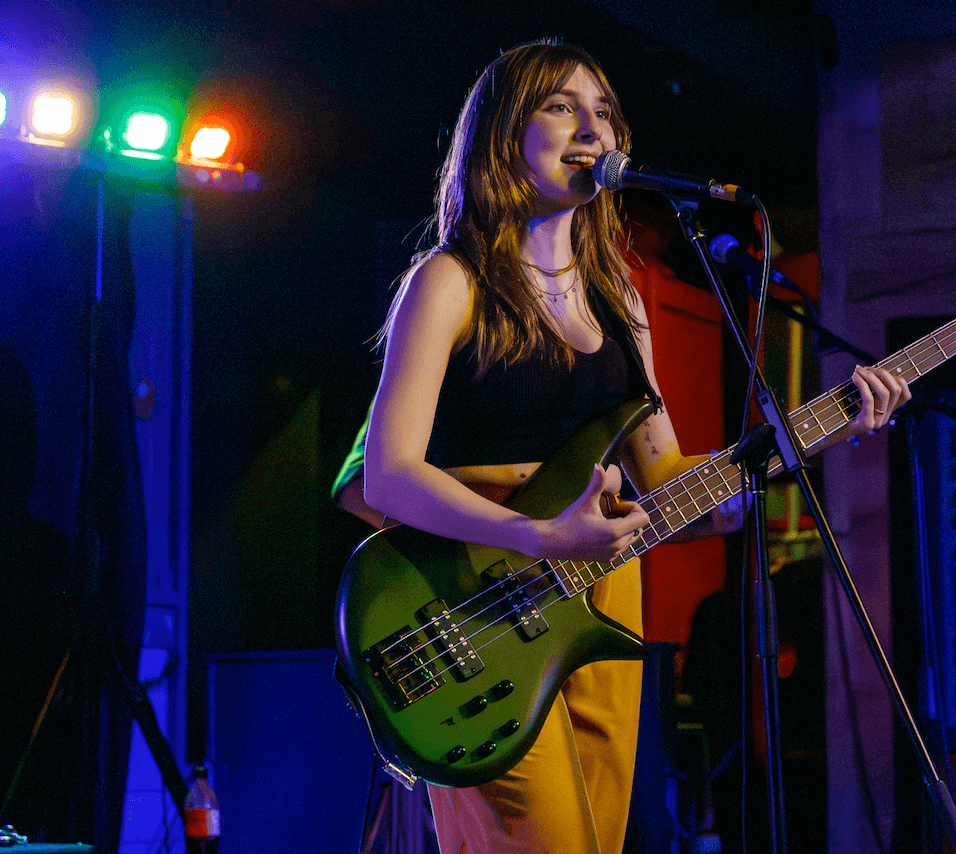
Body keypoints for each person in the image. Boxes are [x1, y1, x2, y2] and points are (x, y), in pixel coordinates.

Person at [356, 40, 911, 854]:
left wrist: (820, 434)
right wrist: (541, 535)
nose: (592, 127)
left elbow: (668, 483)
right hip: (479, 605)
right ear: (505, 131)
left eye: (605, 111)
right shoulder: (450, 280)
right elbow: (387, 474)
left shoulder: (618, 299)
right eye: (561, 106)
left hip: (602, 605)